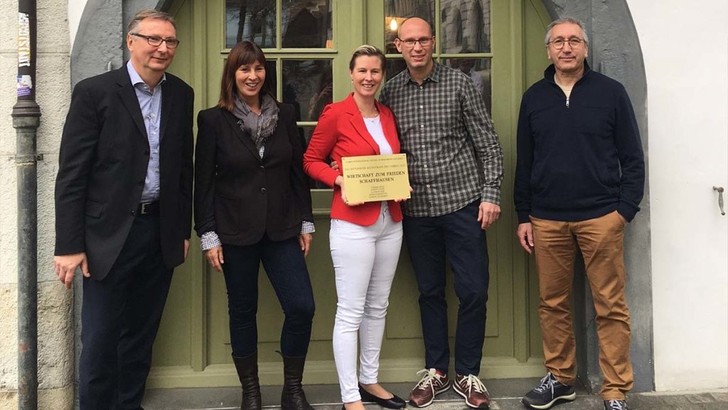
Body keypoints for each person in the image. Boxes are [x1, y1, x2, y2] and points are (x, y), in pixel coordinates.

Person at [53, 9, 193, 409]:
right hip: (106, 237)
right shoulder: (94, 92)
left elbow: (184, 168)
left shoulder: (181, 94)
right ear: (131, 41)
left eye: (170, 41)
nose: (162, 48)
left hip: (158, 233)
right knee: (99, 339)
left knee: (140, 337)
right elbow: (72, 175)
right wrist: (68, 244)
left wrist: (181, 230)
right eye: (153, 39)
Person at [514, 17, 645, 410]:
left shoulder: (611, 93)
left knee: (610, 305)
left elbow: (633, 158)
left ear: (586, 48)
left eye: (574, 41)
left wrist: (623, 210)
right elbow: (526, 160)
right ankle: (560, 378)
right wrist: (524, 214)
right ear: (548, 50)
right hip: (548, 218)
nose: (566, 48)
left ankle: (615, 388)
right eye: (559, 42)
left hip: (601, 217)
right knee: (552, 303)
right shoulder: (534, 97)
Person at [379, 17, 504, 409]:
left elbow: (488, 143)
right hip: (417, 212)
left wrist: (490, 195)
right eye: (409, 41)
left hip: (464, 205)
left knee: (473, 291)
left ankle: (468, 374)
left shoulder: (460, 83)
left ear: (433, 43)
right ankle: (436, 373)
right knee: (430, 292)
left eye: (423, 40)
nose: (416, 47)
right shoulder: (390, 92)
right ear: (398, 45)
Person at [194, 40, 316, 410]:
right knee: (243, 311)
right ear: (232, 74)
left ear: (266, 73)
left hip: (282, 227)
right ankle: (251, 391)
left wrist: (306, 221)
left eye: (258, 68)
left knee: (302, 306)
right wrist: (208, 233)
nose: (252, 75)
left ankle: (292, 390)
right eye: (244, 69)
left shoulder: (287, 113)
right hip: (234, 232)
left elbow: (296, 173)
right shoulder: (213, 119)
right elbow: (205, 182)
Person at [303, 45, 407, 410]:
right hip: (352, 224)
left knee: (378, 306)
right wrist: (338, 180)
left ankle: (369, 379)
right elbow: (311, 160)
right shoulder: (336, 114)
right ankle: (350, 396)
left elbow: (392, 162)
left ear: (382, 75)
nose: (368, 78)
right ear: (351, 73)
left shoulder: (387, 114)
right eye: (362, 71)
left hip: (389, 221)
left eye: (375, 72)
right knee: (351, 310)